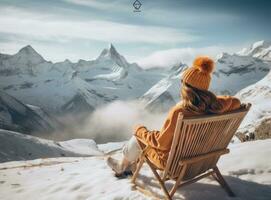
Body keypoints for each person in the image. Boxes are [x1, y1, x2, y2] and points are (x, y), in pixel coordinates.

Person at [106, 56, 241, 177]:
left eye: (183, 82)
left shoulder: (180, 112)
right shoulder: (215, 107)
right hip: (203, 163)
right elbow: (236, 102)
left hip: (176, 167)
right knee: (146, 136)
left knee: (137, 138)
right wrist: (211, 99)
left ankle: (121, 166)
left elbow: (161, 144)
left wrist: (140, 130)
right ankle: (130, 166)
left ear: (187, 87)